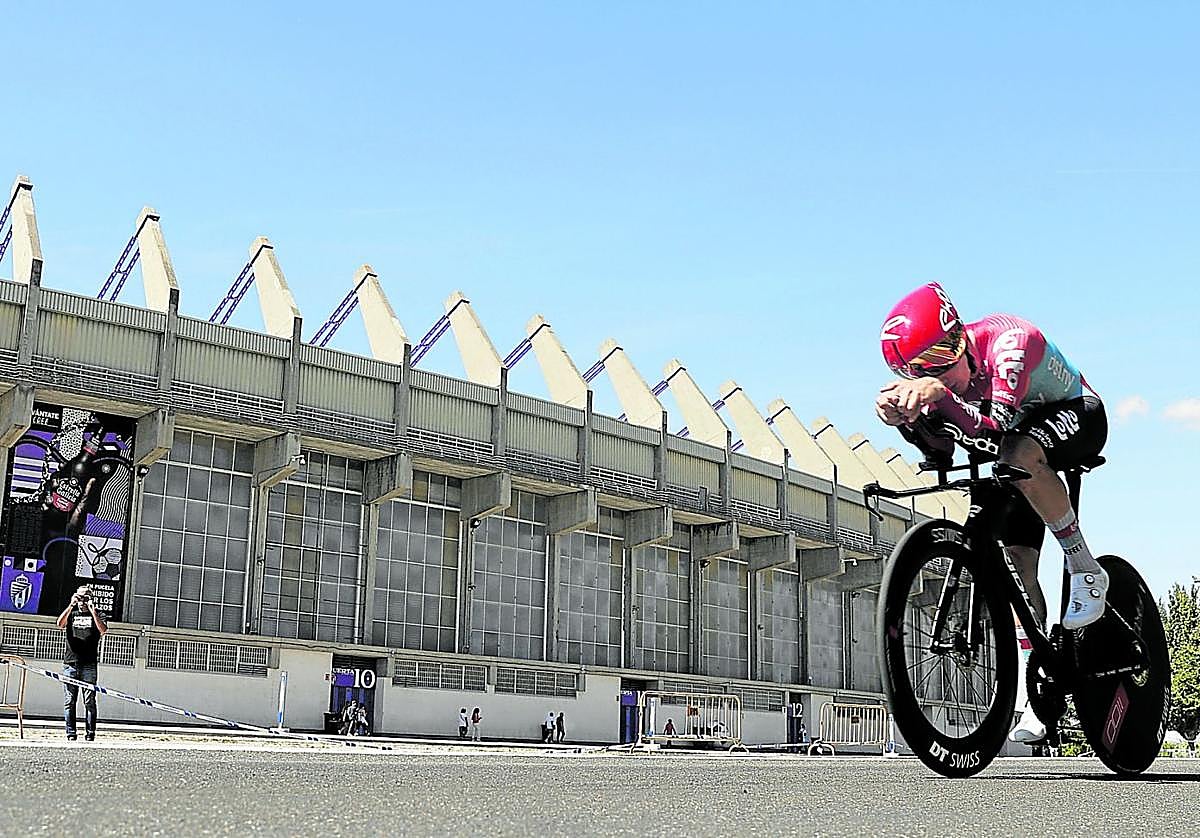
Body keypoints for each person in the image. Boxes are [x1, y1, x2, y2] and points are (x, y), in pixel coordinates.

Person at [877, 282, 1109, 744]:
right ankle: (1033, 692)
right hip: (1014, 442)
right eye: (919, 371)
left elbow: (994, 428)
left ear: (959, 335)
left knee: (1018, 452)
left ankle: (1085, 566)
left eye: (943, 357)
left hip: (1075, 414)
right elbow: (945, 451)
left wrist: (939, 397)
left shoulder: (1010, 343)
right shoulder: (949, 379)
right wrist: (908, 421)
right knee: (1019, 568)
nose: (938, 374)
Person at [55, 584, 107, 741]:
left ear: (91, 598)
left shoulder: (98, 614)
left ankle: (90, 733)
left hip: (89, 664)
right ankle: (71, 733)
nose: (82, 601)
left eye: (85, 597)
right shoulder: (71, 613)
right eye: (80, 597)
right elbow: (60, 624)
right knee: (69, 700)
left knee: (89, 700)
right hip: (70, 663)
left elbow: (103, 630)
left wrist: (92, 610)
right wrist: (71, 605)